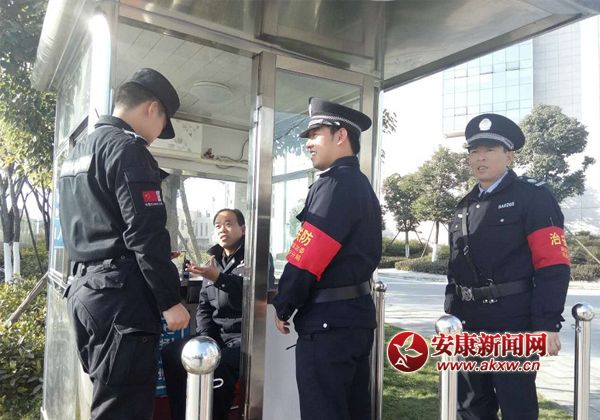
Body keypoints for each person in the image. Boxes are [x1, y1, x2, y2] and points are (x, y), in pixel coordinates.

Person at [59, 68, 190, 420]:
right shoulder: (129, 149)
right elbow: (144, 232)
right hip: (120, 299)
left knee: (109, 400)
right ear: (152, 108)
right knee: (124, 409)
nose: (158, 135)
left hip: (85, 292)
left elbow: (98, 225)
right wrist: (170, 301)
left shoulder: (79, 151)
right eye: (163, 124)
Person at [444, 113, 571, 420]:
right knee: (469, 406)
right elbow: (455, 268)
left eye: (489, 149)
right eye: (474, 151)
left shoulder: (533, 197)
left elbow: (552, 263)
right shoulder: (464, 206)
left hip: (513, 320)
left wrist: (546, 323)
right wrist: (450, 314)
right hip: (468, 321)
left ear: (509, 156)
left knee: (516, 405)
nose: (480, 157)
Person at [272, 97, 381, 420]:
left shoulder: (334, 185)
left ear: (341, 135)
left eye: (315, 134)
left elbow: (308, 255)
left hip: (327, 324)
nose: (309, 143)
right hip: (354, 318)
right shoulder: (359, 184)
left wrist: (285, 303)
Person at [161, 208, 246, 420]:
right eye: (218, 226)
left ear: (243, 229)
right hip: (216, 337)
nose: (222, 229)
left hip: (243, 340)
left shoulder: (256, 259)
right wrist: (205, 339)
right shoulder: (212, 262)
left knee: (219, 365)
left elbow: (249, 291)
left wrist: (219, 278)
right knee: (173, 354)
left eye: (229, 224)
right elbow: (204, 307)